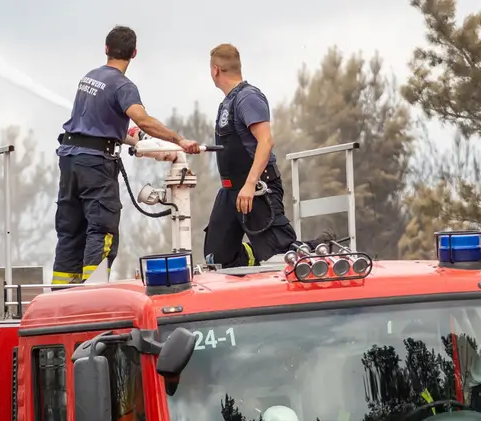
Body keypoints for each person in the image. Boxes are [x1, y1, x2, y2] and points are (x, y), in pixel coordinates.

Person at [52, 26, 199, 286]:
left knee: (70, 231)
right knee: (102, 230)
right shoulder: (123, 86)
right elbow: (142, 119)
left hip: (70, 159)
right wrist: (179, 140)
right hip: (95, 165)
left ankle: (62, 295)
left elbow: (97, 124)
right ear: (134, 53)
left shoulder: (89, 78)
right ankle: (92, 296)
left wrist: (134, 138)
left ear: (106, 48)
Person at [202, 44, 299, 269]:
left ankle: (316, 248)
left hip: (256, 188)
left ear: (215, 70)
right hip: (230, 192)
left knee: (280, 255)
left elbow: (266, 142)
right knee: (216, 259)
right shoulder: (226, 102)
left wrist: (250, 184)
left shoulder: (248, 97)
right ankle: (256, 255)